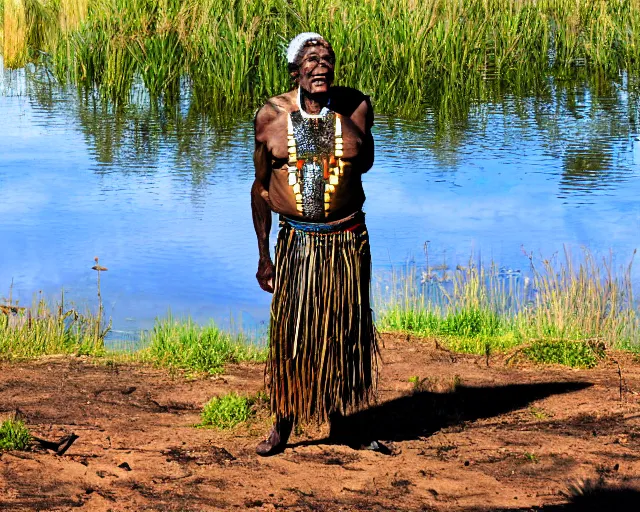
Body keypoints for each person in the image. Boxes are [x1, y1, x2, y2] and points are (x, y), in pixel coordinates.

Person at [251, 32, 378, 456]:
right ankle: (284, 421)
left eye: (327, 59)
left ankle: (345, 421)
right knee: (292, 335)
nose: (320, 66)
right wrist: (264, 255)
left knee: (345, 331)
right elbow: (261, 188)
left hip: (346, 244)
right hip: (298, 245)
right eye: (311, 60)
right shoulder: (270, 116)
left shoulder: (357, 108)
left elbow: (366, 164)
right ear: (295, 71)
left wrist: (332, 116)